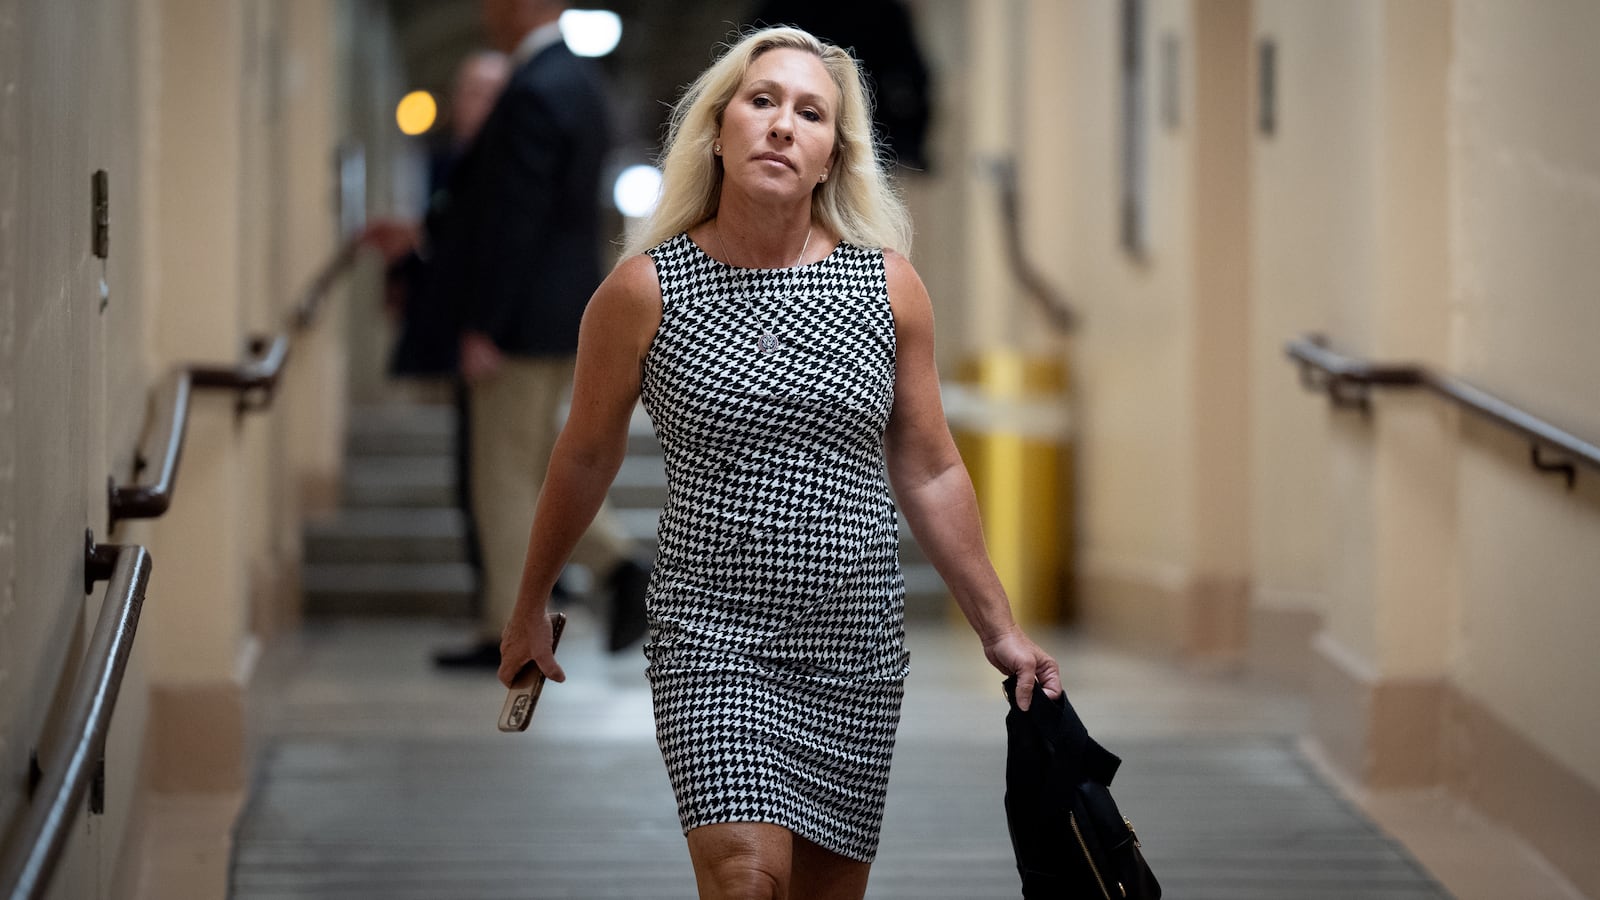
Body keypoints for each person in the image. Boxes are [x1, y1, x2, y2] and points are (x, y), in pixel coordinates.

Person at [496, 25, 1063, 900]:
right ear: (719, 128)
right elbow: (583, 455)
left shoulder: (887, 287)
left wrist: (999, 628)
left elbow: (932, 467)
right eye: (762, 102)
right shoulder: (643, 291)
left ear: (834, 154)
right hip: (711, 632)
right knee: (746, 876)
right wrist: (531, 601)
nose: (782, 125)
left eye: (811, 113)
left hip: (854, 640)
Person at [430, 0, 648, 668]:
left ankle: (517, 627)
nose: (486, 11)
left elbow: (515, 218)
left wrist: (485, 323)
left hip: (520, 320)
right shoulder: (580, 80)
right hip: (561, 307)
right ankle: (614, 569)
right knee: (532, 466)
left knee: (502, 475)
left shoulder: (534, 85)